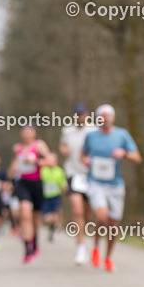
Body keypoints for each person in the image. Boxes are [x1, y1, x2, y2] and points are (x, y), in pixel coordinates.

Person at [81, 104, 141, 273]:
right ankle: (95, 248)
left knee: (114, 224)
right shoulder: (91, 137)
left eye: (108, 116)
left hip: (115, 184)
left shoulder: (122, 135)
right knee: (101, 216)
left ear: (113, 118)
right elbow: (82, 154)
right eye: (102, 116)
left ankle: (108, 258)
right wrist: (85, 160)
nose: (105, 119)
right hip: (95, 182)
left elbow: (137, 158)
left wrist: (124, 153)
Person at [6, 123, 51, 263]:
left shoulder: (39, 145)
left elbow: (50, 162)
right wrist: (12, 171)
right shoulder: (17, 148)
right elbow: (12, 169)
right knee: (25, 213)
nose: (26, 133)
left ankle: (35, 241)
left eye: (29, 131)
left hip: (37, 184)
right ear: (21, 134)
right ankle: (27, 249)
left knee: (35, 218)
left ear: (34, 133)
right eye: (24, 131)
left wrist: (36, 160)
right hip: (23, 184)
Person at [60, 103, 98, 264]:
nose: (79, 117)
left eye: (82, 114)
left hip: (91, 174)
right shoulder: (67, 130)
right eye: (77, 114)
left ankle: (84, 233)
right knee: (77, 210)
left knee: (87, 213)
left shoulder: (94, 130)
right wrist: (64, 150)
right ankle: (80, 248)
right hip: (73, 173)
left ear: (87, 115)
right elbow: (62, 145)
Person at [40, 153, 67, 242]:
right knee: (47, 218)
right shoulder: (43, 170)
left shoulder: (59, 171)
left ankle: (52, 229)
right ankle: (51, 226)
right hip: (45, 197)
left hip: (55, 196)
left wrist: (64, 188)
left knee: (55, 217)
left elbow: (63, 184)